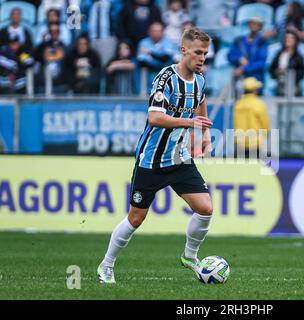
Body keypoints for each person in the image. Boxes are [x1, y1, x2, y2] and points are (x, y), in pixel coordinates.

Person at [97, 27, 214, 284]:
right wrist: (189, 124)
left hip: (179, 158)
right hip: (151, 160)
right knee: (136, 218)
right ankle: (106, 265)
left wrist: (204, 135)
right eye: (197, 52)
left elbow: (201, 103)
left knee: (205, 208)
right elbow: (154, 117)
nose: (202, 58)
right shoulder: (166, 78)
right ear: (183, 51)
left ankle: (190, 256)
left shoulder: (200, 80)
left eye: (205, 53)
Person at [233, 77, 270, 158]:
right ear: (255, 90)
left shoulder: (238, 104)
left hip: (240, 142)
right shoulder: (259, 104)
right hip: (255, 142)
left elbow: (235, 123)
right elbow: (265, 124)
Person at [227, 16, 268, 89]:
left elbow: (261, 63)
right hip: (240, 79)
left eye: (257, 24)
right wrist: (239, 58)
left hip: (256, 79)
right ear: (249, 25)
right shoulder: (239, 40)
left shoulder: (262, 42)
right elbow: (230, 55)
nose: (254, 26)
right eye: (252, 23)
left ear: (260, 27)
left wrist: (244, 69)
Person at [33, 22, 68, 94]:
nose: (54, 33)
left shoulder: (64, 46)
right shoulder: (42, 46)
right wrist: (43, 43)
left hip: (60, 83)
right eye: (51, 32)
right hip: (44, 83)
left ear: (59, 33)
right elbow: (37, 57)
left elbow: (63, 57)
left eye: (56, 31)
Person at [269, 31, 304, 96]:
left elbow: (302, 73)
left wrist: (288, 72)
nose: (288, 40)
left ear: (295, 41)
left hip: (294, 84)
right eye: (286, 38)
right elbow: (271, 69)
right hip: (280, 84)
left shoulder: (299, 57)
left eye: (291, 38)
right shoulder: (278, 54)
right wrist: (276, 72)